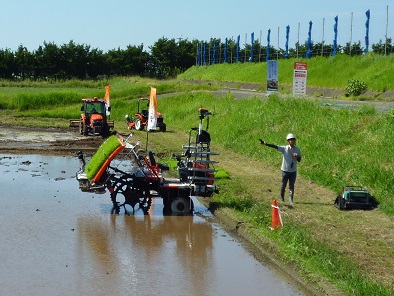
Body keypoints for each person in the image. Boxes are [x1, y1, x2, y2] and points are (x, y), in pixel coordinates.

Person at [260, 133, 302, 205]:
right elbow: (275, 146)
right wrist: (266, 144)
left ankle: (291, 199)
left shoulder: (297, 149)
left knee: (291, 186)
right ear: (288, 141)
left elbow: (299, 160)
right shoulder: (284, 148)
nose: (292, 141)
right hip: (285, 170)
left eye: (293, 140)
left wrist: (297, 156)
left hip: (293, 171)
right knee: (283, 185)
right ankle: (282, 198)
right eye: (290, 140)